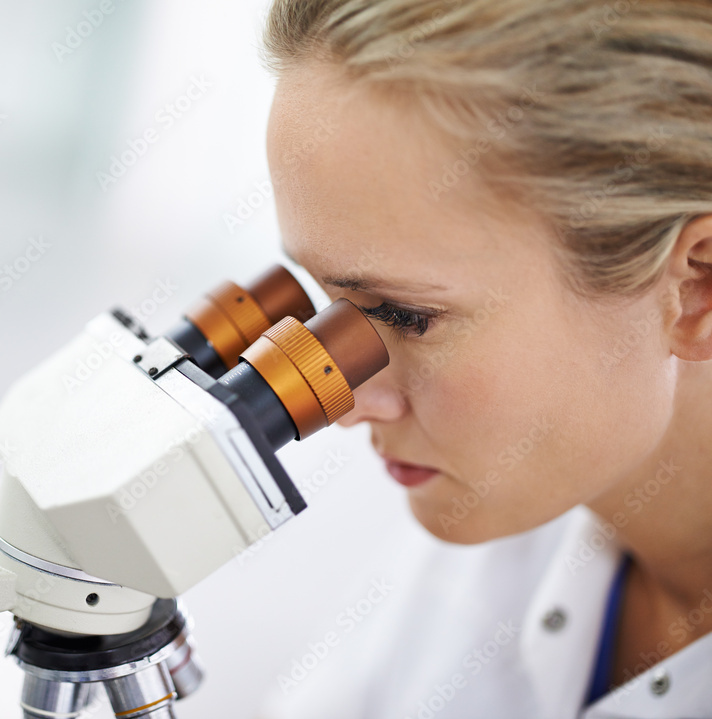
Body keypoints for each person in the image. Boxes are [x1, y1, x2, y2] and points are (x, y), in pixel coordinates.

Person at [256, 1, 712, 717]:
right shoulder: (498, 525)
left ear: (696, 289)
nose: (343, 398)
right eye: (324, 302)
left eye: (408, 318)